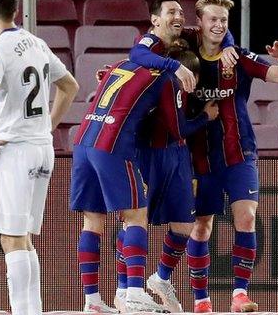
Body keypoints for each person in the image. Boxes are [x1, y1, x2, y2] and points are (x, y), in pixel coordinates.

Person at [132, 0, 278, 313]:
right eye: (213, 19)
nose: (219, 25)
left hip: (239, 152)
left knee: (246, 217)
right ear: (201, 22)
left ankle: (239, 293)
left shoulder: (238, 57)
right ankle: (201, 299)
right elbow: (146, 45)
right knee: (201, 226)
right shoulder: (187, 44)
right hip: (199, 156)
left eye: (224, 21)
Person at [69, 45, 217, 311]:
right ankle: (128, 291)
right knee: (134, 218)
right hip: (131, 149)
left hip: (95, 141)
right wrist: (206, 116)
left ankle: (109, 296)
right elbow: (179, 127)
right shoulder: (163, 79)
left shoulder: (123, 67)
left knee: (178, 224)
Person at [0, 0, 79, 315]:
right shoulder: (37, 43)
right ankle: (32, 310)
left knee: (11, 238)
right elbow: (70, 86)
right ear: (16, 10)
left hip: (15, 148)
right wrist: (47, 125)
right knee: (25, 238)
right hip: (42, 148)